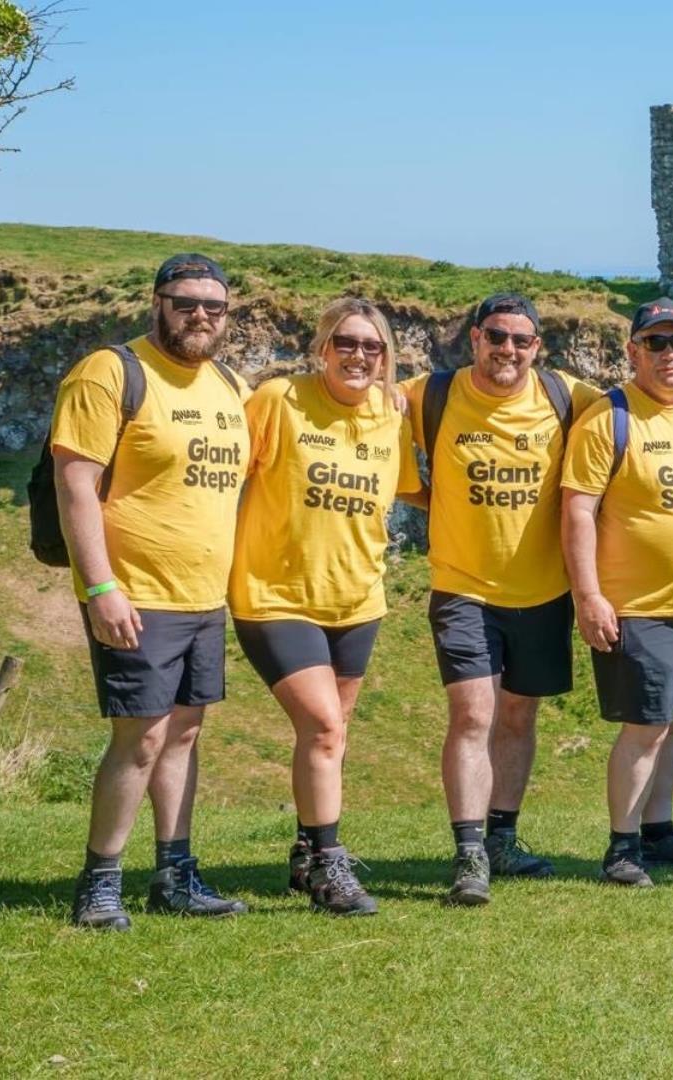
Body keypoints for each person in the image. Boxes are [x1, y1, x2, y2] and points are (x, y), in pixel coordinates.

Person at [402, 293, 673, 905]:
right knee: (474, 714)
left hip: (541, 590)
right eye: (496, 337)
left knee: (519, 717)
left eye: (521, 340)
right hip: (464, 587)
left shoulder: (566, 396)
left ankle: (503, 836)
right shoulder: (430, 393)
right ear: (475, 338)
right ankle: (471, 853)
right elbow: (370, 400)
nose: (507, 349)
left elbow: (639, 399)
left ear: (538, 348)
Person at [51, 254, 250, 930]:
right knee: (140, 738)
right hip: (135, 592)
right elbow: (75, 483)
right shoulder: (110, 372)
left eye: (213, 307)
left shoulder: (228, 383)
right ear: (157, 303)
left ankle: (175, 874)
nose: (200, 316)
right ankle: (100, 881)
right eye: (186, 301)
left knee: (184, 735)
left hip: (204, 595)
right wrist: (101, 586)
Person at [230, 299, 419, 916]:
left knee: (328, 738)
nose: (359, 356)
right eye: (346, 343)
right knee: (325, 727)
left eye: (373, 347)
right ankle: (331, 868)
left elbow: (418, 488)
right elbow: (221, 476)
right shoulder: (278, 400)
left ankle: (305, 851)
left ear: (387, 358)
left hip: (358, 599)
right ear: (322, 347)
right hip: (275, 594)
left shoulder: (394, 416)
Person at [561, 297, 673, 887]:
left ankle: (658, 831)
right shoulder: (608, 418)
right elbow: (578, 510)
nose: (669, 354)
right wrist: (589, 596)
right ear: (633, 351)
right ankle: (621, 846)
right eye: (654, 344)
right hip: (638, 604)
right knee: (646, 728)